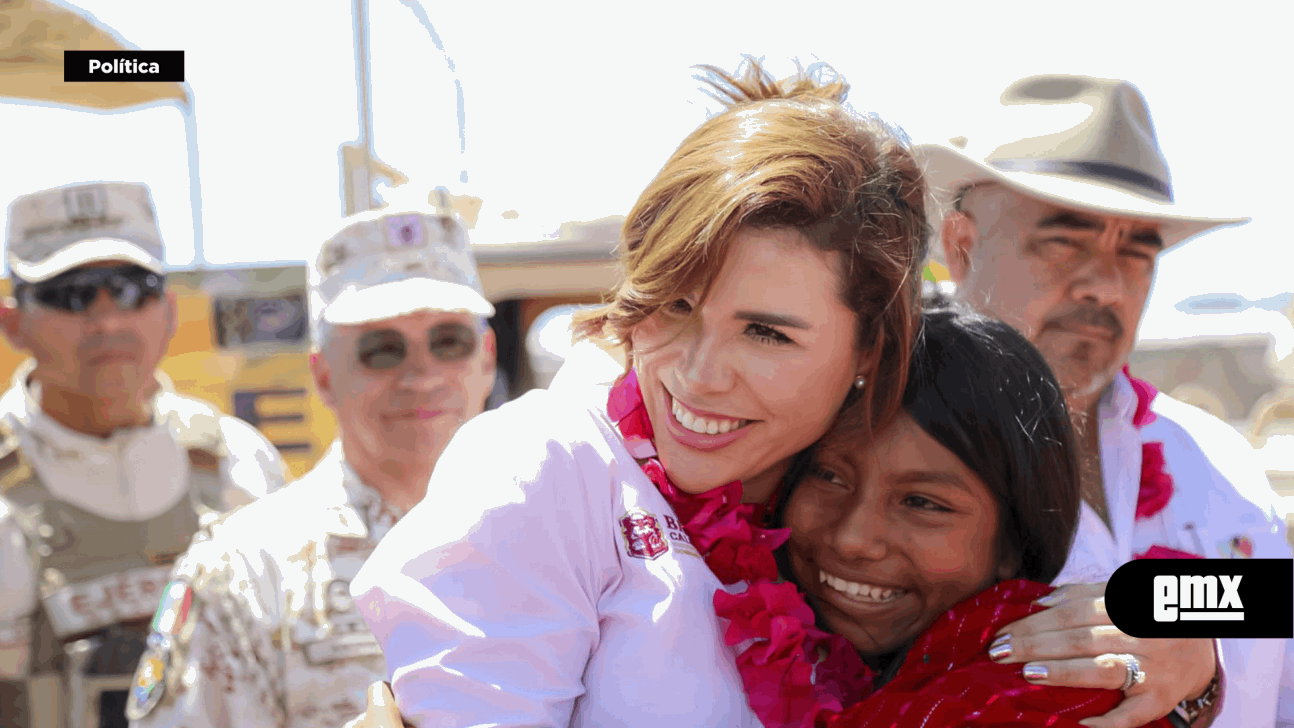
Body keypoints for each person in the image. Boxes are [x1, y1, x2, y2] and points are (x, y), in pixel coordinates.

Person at [349, 59, 930, 728]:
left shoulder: (900, 489)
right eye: (676, 305)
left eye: (766, 334)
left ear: (870, 348)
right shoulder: (545, 465)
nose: (700, 373)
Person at [917, 74, 1292, 728]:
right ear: (961, 246)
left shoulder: (1219, 461)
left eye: (1137, 250)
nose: (1105, 284)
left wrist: (1196, 664)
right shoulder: (881, 460)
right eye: (1065, 240)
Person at [122, 205, 498, 727]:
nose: (422, 373)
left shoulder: (560, 538)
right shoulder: (245, 571)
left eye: (449, 342)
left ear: (487, 357)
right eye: (382, 349)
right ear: (323, 377)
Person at [780, 306, 1171, 727]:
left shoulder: (1030, 695)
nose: (851, 539)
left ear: (1014, 540)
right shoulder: (717, 601)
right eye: (827, 475)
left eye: (922, 503)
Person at [0, 181, 290, 728]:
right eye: (71, 294)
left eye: (133, 290)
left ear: (169, 312)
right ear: (14, 323)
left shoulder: (239, 462)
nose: (108, 320)